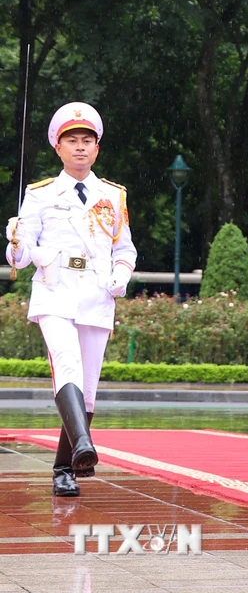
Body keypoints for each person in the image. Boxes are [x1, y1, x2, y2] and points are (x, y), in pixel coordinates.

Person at [5, 102, 136, 497]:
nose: (80, 148)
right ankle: (84, 445)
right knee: (66, 366)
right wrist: (15, 240)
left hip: (96, 293)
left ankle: (66, 466)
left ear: (97, 148)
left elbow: (124, 248)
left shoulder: (112, 195)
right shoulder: (40, 194)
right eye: (71, 141)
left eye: (87, 141)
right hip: (56, 290)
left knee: (89, 386)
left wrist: (122, 274)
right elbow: (20, 258)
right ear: (58, 148)